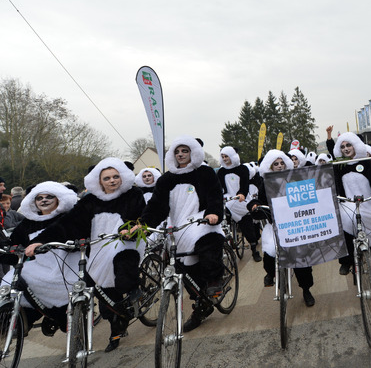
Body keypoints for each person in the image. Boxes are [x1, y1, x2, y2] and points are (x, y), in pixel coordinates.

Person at [27, 158, 145, 352]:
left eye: (116, 176)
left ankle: (133, 292)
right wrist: (42, 240)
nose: (112, 181)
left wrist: (133, 228)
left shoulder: (133, 194)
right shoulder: (90, 200)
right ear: (99, 181)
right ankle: (116, 321)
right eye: (107, 178)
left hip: (127, 243)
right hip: (98, 247)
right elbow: (69, 221)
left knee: (121, 273)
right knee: (100, 289)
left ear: (122, 177)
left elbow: (142, 216)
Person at [138, 136, 225, 332]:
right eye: (177, 152)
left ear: (192, 152)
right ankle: (201, 304)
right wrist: (143, 224)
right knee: (183, 271)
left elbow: (214, 194)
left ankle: (214, 280)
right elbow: (156, 206)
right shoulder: (166, 179)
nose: (180, 155)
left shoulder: (205, 172)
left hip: (201, 219)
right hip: (177, 226)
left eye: (184, 151)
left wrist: (213, 213)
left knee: (208, 244)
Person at [1, 182, 80, 336]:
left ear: (58, 199)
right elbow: (14, 246)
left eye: (49, 196)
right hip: (41, 267)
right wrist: (7, 249)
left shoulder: (68, 218)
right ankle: (20, 321)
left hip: (68, 267)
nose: (44, 200)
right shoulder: (28, 223)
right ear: (34, 201)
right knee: (13, 280)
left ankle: (60, 319)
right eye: (39, 198)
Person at [248, 149, 316, 306]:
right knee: (271, 250)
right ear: (270, 166)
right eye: (275, 164)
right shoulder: (264, 183)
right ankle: (271, 273)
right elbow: (259, 201)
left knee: (301, 255)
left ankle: (306, 289)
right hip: (275, 225)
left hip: (296, 224)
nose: (279, 166)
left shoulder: (296, 179)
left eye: (281, 163)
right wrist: (255, 205)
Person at [327, 130, 371, 293]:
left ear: (355, 145)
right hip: (348, 205)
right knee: (345, 232)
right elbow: (333, 183)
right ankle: (347, 262)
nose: (346, 148)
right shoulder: (339, 165)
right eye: (342, 146)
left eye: (349, 145)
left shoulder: (368, 162)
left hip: (369, 205)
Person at [218, 146, 261, 262]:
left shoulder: (242, 169)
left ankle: (254, 249)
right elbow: (220, 187)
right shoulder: (221, 171)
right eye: (222, 156)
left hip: (241, 198)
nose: (225, 158)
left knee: (246, 223)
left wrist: (242, 193)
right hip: (227, 198)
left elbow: (244, 185)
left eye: (226, 156)